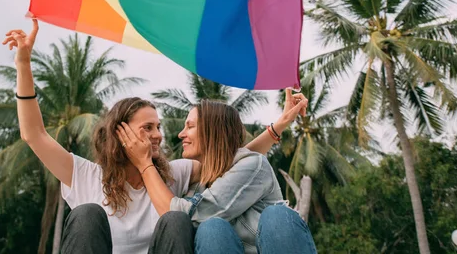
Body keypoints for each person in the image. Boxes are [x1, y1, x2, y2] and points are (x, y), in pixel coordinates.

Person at [2, 19, 308, 254]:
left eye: (158, 127)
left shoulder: (171, 175)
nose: (159, 135)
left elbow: (228, 159)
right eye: (147, 128)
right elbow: (34, 135)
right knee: (86, 213)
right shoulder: (85, 175)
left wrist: (279, 125)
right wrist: (24, 64)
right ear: (119, 133)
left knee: (175, 219)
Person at [118, 98, 318, 254]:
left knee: (277, 215)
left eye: (190, 126)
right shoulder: (197, 179)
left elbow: (187, 212)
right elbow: (227, 166)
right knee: (212, 228)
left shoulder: (252, 165)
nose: (181, 134)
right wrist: (279, 125)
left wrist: (144, 164)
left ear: (213, 131)